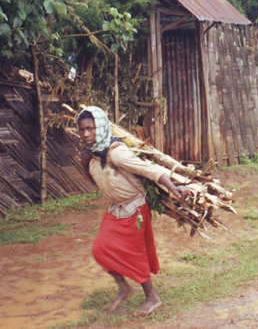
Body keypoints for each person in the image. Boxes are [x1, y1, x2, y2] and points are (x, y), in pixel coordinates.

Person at [77, 106, 189, 317]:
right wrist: (84, 164)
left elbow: (149, 170)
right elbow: (97, 180)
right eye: (82, 130)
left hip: (134, 208)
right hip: (116, 208)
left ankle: (152, 298)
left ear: (100, 128)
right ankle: (124, 287)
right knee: (100, 249)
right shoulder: (91, 155)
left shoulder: (116, 153)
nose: (85, 135)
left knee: (133, 253)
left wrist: (174, 187)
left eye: (90, 129)